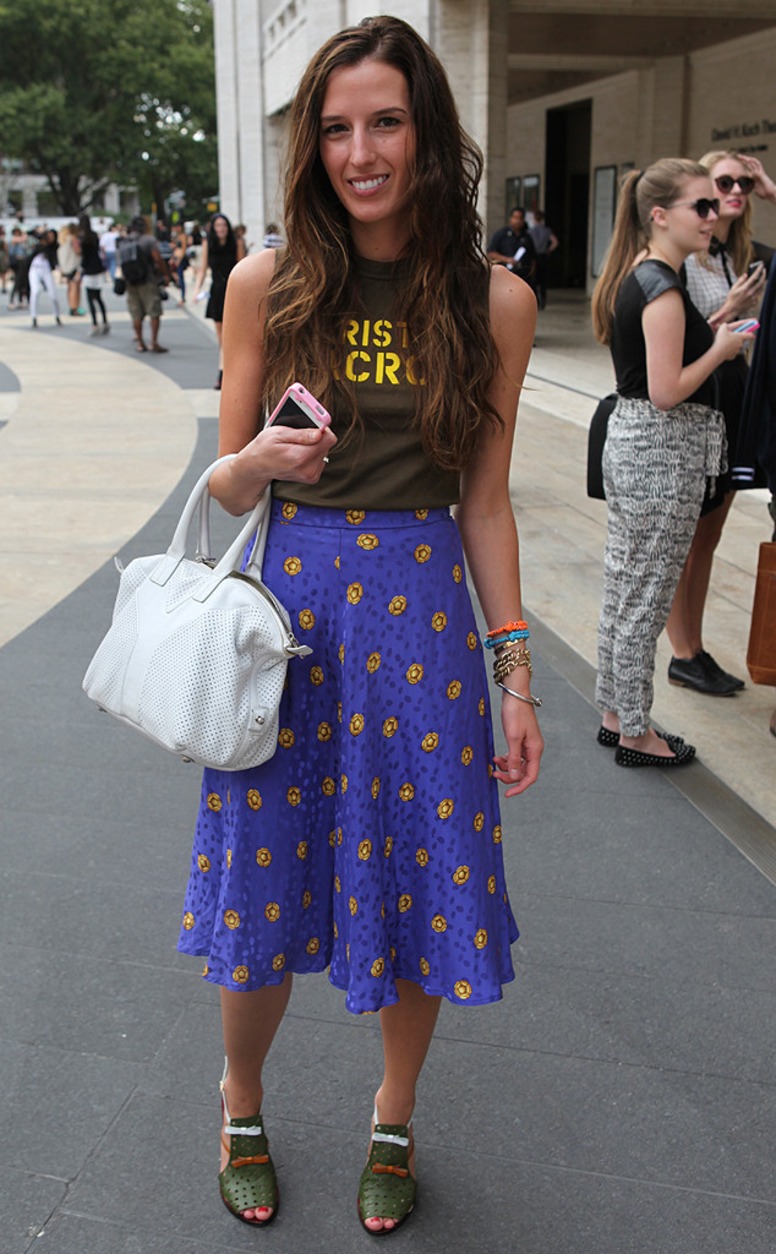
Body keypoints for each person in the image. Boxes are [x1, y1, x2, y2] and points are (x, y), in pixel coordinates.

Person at [176, 14, 542, 1235]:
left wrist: (516, 676)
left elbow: (482, 502)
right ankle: (240, 1100)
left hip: (427, 624)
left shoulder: (492, 302)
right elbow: (221, 484)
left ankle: (393, 1115)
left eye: (384, 121)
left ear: (427, 132)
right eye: (334, 128)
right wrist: (256, 464)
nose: (359, 151)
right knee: (262, 883)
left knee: (421, 885)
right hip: (292, 619)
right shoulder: (264, 285)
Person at [590, 160, 755, 767]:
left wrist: (712, 328)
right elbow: (666, 390)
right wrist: (723, 348)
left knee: (627, 588)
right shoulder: (660, 286)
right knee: (646, 596)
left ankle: (617, 712)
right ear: (660, 216)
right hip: (660, 453)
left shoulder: (648, 276)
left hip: (642, 448)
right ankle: (634, 731)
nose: (714, 218)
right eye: (702, 206)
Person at [666, 150, 776, 695]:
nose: (735, 191)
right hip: (695, 402)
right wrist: (731, 309)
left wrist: (770, 189)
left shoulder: (739, 254)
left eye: (745, 183)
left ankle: (696, 647)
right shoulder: (685, 255)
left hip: (732, 403)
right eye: (724, 182)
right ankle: (683, 651)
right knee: (686, 537)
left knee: (708, 537)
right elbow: (677, 341)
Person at [192, 212, 247, 389]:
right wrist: (196, 290)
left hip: (234, 291)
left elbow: (243, 266)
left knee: (234, 335)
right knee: (222, 337)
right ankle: (223, 371)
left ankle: (226, 372)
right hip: (217, 292)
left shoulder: (236, 242)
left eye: (223, 225)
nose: (221, 229)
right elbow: (202, 268)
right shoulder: (209, 244)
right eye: (217, 226)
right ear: (213, 229)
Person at [120, 214, 171, 353]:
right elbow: (158, 259)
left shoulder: (124, 241)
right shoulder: (148, 240)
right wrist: (165, 274)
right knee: (154, 311)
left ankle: (140, 342)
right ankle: (154, 342)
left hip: (131, 282)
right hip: (148, 280)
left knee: (136, 313)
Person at [486, 206, 537, 288]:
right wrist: (507, 260)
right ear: (511, 218)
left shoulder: (527, 237)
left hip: (523, 277)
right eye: (516, 218)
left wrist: (531, 272)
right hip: (506, 276)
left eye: (521, 218)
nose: (518, 221)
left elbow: (533, 256)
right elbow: (491, 252)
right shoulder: (501, 234)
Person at [78, 213, 109, 336]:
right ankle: (105, 321)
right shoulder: (94, 235)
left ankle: (95, 324)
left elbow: (83, 256)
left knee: (90, 299)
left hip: (89, 270)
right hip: (98, 267)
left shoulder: (82, 238)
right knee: (99, 297)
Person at [28, 228, 62, 328]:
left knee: (53, 295)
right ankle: (34, 317)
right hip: (35, 269)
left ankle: (57, 315)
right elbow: (31, 234)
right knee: (35, 291)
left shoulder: (54, 247)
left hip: (46, 270)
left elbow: (55, 258)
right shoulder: (39, 246)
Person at [528, 210, 558, 310]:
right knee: (543, 280)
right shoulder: (546, 230)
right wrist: (548, 250)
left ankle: (536, 300)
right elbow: (555, 242)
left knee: (534, 279)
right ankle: (543, 300)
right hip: (543, 255)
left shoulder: (530, 231)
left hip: (534, 256)